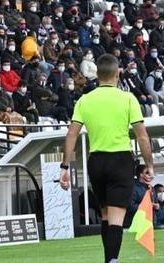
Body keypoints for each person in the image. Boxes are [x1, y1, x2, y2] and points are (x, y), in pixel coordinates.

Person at [60, 54, 154, 263]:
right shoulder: (128, 98)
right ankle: (113, 260)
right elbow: (142, 135)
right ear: (118, 73)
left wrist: (65, 167)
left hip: (96, 162)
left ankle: (108, 259)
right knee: (116, 219)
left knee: (105, 215)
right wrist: (149, 165)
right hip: (120, 160)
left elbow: (71, 134)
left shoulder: (85, 100)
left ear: (98, 75)